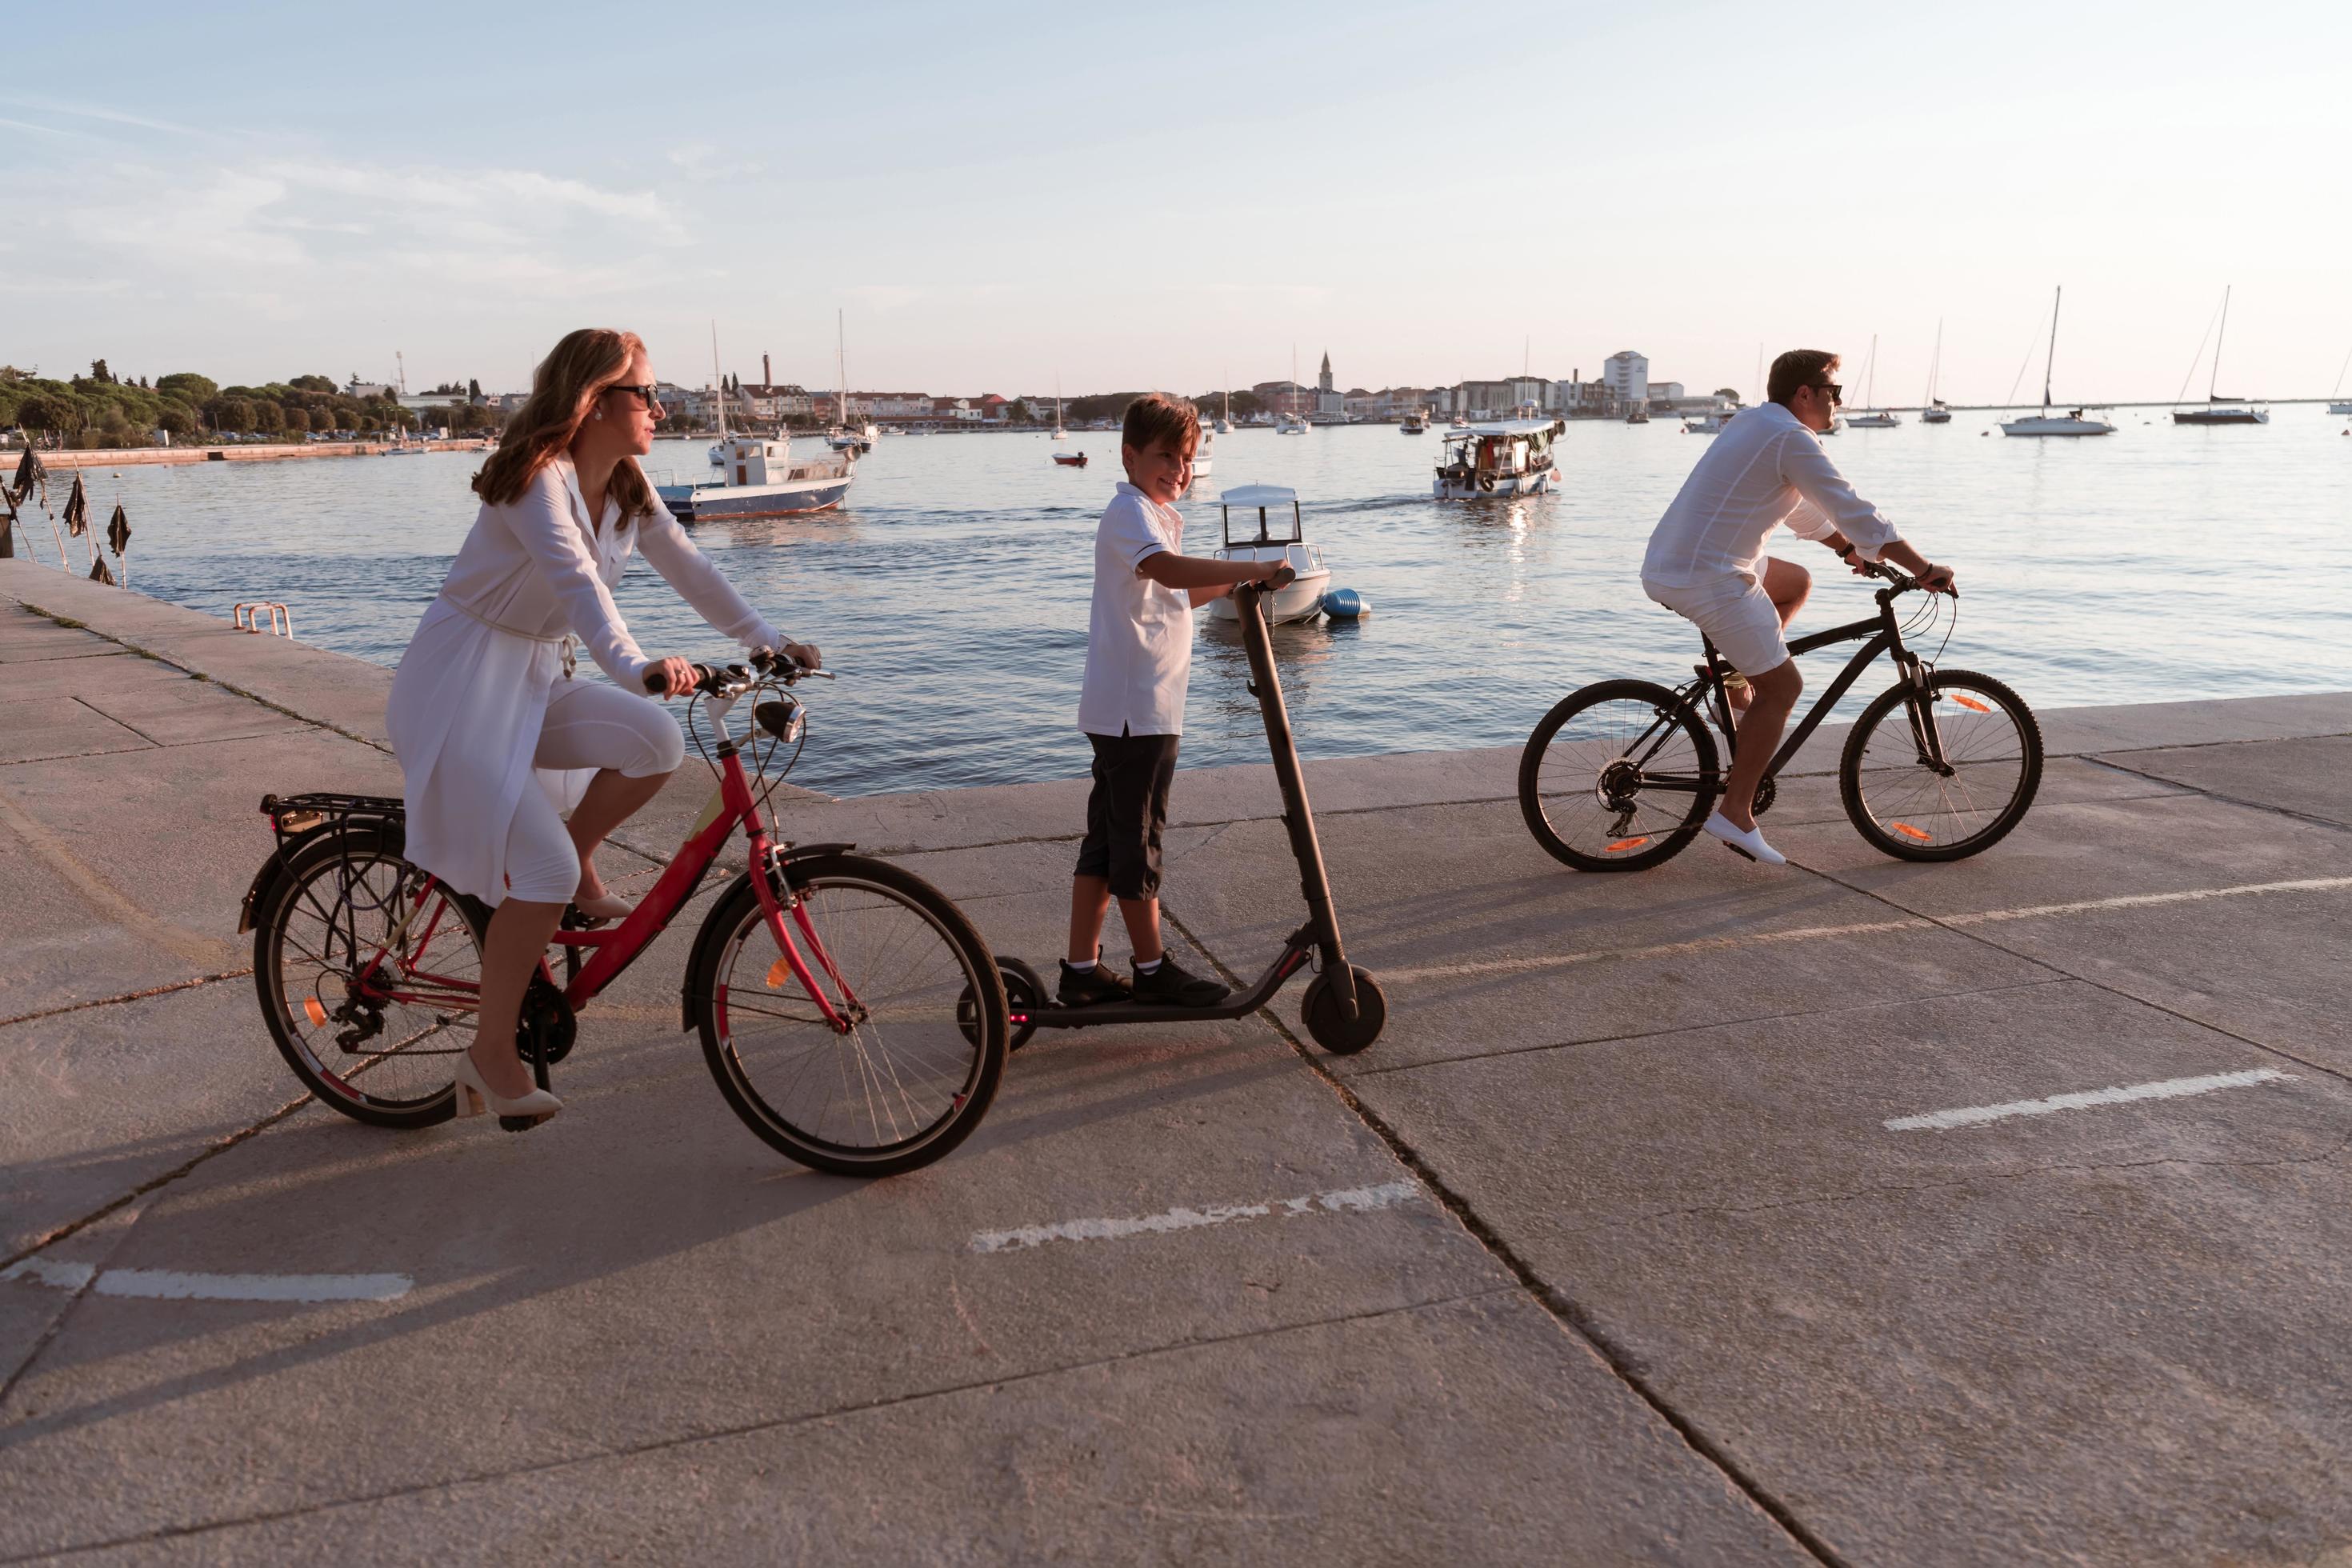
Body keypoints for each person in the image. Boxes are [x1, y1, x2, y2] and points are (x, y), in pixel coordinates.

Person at [385, 328, 818, 1128]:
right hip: (460, 689)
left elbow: (693, 567)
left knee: (655, 742)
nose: (658, 407)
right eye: (644, 394)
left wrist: (768, 643)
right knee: (540, 871)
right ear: (591, 402)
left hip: (535, 675)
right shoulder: (536, 480)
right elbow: (578, 584)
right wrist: (639, 667)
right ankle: (489, 1053)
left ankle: (578, 861)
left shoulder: (625, 485)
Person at [1641, 348, 1954, 867]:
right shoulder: (1790, 437)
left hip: (1681, 561)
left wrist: (1848, 550)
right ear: (1804, 393)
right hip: (1708, 574)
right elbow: (1852, 507)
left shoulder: (1759, 423)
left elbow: (1807, 511)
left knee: (1795, 583)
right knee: (1785, 687)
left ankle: (1735, 684)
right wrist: (1922, 568)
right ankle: (1734, 813)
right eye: (1833, 392)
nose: (1839, 402)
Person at [1060, 394, 1286, 1007]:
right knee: (1137, 840)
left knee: (1107, 842)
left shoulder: (1153, 516)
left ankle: (1080, 970)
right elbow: (1165, 570)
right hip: (1138, 712)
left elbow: (1175, 598)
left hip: (1131, 707)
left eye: (1187, 459)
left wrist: (1238, 580)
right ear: (1130, 455)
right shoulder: (1129, 512)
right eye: (1166, 456)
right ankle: (1153, 969)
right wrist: (1256, 565)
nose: (1180, 470)